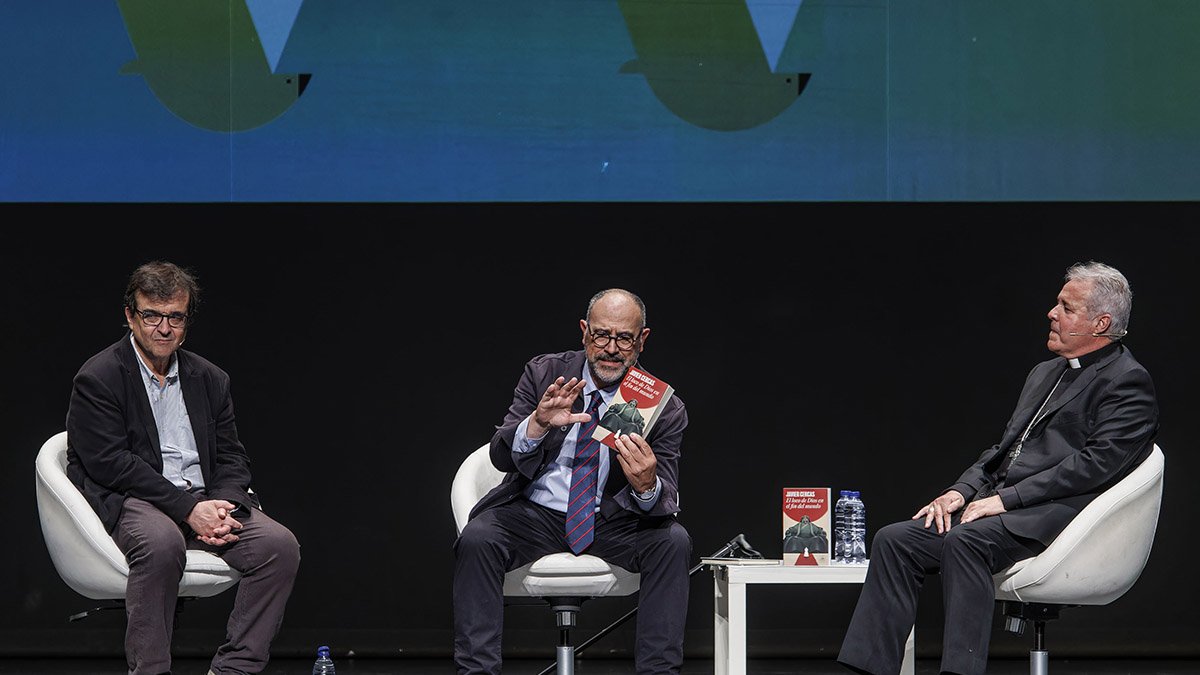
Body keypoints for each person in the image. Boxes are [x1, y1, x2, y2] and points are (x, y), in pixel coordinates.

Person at [836, 261, 1159, 675]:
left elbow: (1096, 465)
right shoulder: (1045, 373)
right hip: (1003, 509)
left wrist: (1006, 500)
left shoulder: (1127, 381)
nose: (1051, 313)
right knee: (896, 540)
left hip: (1056, 517)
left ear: (1101, 323)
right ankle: (867, 670)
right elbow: (1004, 449)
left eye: (1066, 307)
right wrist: (961, 490)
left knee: (964, 542)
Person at [65, 261, 300, 675]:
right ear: (130, 316)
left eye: (175, 317)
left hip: (203, 499)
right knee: (162, 545)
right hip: (135, 498)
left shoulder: (209, 378)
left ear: (186, 322)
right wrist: (187, 510)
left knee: (279, 547)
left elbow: (231, 456)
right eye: (151, 316)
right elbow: (111, 464)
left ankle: (234, 669)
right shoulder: (99, 377)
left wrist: (222, 506)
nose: (164, 328)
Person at [453, 288, 692, 675]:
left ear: (642, 340)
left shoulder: (664, 407)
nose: (610, 348)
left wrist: (647, 486)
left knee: (673, 542)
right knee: (478, 538)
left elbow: (663, 494)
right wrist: (536, 424)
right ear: (584, 331)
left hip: (612, 520)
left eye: (624, 338)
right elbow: (500, 454)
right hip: (536, 514)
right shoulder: (545, 373)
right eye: (601, 335)